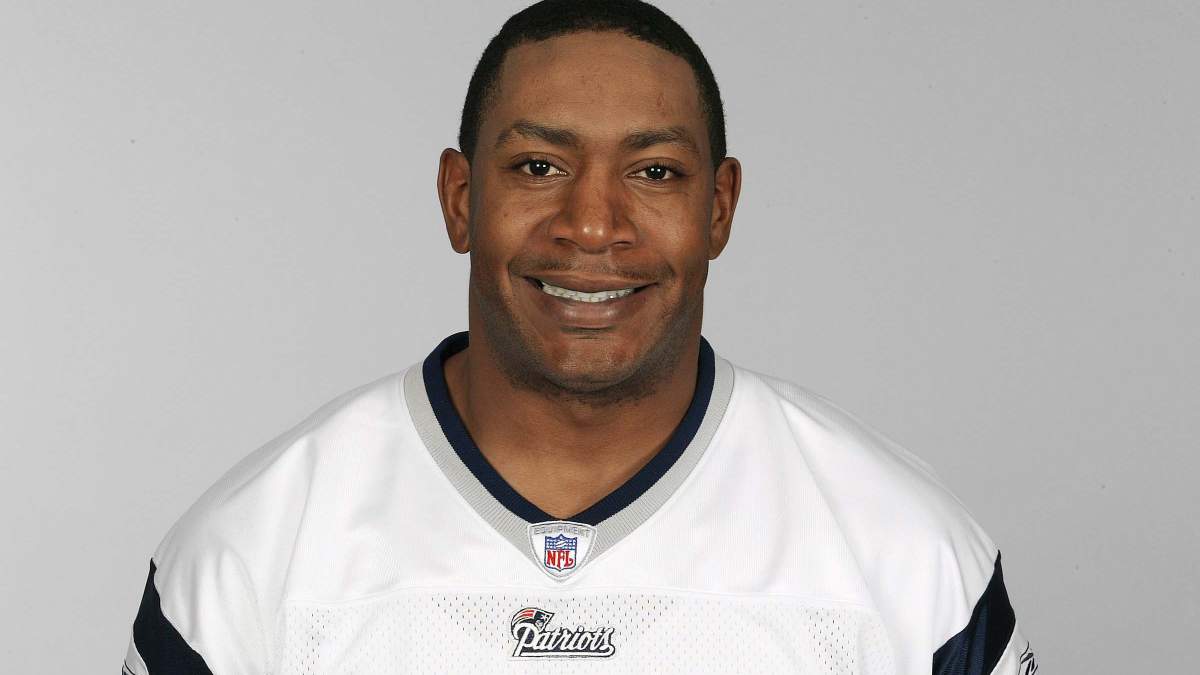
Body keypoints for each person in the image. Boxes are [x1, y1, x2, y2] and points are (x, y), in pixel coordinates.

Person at [121, 1, 1036, 673]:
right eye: (538, 165)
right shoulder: (250, 554)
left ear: (719, 208)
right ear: (460, 198)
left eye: (654, 171)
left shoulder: (908, 555)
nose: (592, 225)